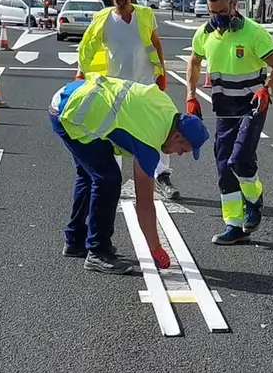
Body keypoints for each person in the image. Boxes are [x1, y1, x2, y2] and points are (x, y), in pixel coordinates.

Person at [49, 73, 210, 274]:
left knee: (90, 174)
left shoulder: (168, 108)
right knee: (108, 179)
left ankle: (74, 240)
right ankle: (98, 252)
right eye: (183, 149)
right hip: (72, 113)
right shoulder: (149, 142)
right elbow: (144, 204)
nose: (179, 154)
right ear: (177, 135)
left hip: (72, 98)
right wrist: (156, 248)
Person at [185, 0, 273, 245]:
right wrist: (190, 94)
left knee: (240, 160)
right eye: (213, 13)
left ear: (233, 4)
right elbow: (194, 62)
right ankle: (234, 225)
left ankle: (254, 200)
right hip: (223, 110)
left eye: (222, 10)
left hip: (252, 107)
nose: (218, 17)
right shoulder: (204, 34)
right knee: (223, 167)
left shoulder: (254, 33)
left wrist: (267, 89)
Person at [77, 0, 182, 200]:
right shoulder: (102, 20)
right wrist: (81, 76)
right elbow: (87, 48)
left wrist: (161, 72)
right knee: (111, 133)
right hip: (115, 90)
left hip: (145, 87)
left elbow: (156, 43)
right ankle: (109, 179)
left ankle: (162, 177)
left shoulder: (145, 14)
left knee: (157, 131)